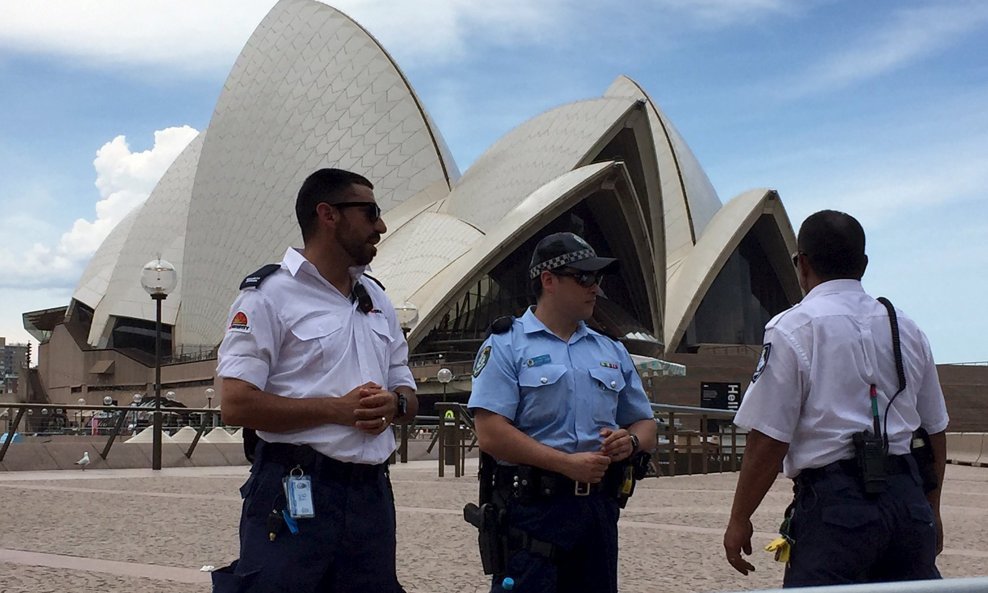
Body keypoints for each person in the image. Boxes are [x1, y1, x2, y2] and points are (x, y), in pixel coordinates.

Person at [212, 168, 418, 592]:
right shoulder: (267, 295)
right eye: (370, 212)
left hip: (370, 495)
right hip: (294, 487)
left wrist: (396, 404)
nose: (380, 226)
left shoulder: (377, 297)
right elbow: (235, 403)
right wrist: (336, 410)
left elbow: (406, 386)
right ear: (328, 215)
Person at [723, 210, 948, 586]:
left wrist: (739, 517)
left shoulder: (793, 327)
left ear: (803, 263)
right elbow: (935, 429)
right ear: (863, 264)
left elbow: (768, 438)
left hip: (837, 508)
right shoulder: (906, 327)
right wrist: (932, 509)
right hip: (907, 499)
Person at [468, 231, 657, 593]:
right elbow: (491, 433)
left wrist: (630, 442)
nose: (595, 289)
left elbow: (646, 422)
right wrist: (564, 464)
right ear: (548, 280)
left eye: (598, 279)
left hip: (597, 513)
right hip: (532, 511)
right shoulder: (507, 344)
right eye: (583, 277)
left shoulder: (611, 349)